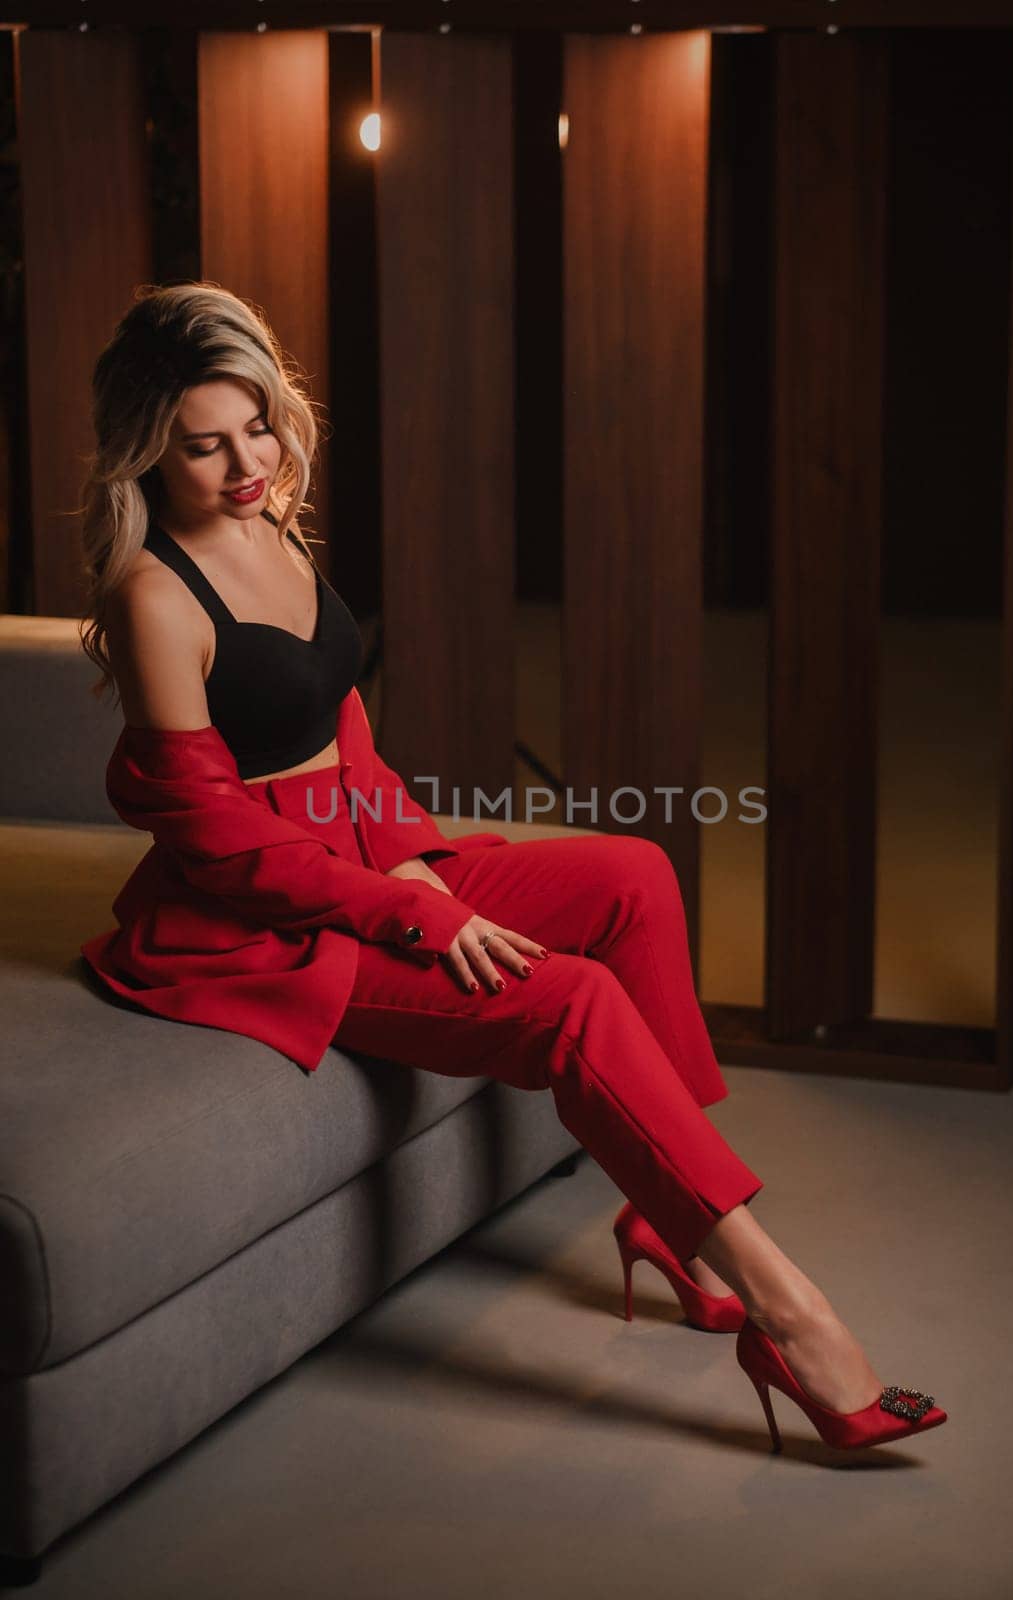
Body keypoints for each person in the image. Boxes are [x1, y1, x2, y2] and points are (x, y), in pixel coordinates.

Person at [78, 282, 946, 1456]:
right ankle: (792, 1316)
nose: (246, 462)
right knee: (574, 1000)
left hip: (359, 858)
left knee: (632, 872)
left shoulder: (271, 521)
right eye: (204, 445)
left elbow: (347, 740)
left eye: (258, 425)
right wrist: (406, 914)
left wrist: (418, 867)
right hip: (253, 918)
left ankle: (660, 1215)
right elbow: (217, 841)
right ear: (146, 454)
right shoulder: (152, 596)